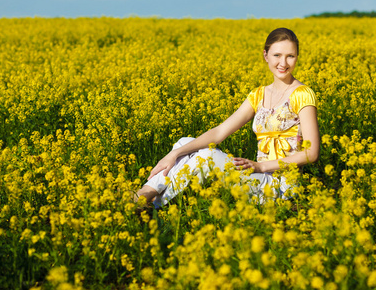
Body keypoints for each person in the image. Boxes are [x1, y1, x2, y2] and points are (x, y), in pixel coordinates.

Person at [135, 28, 320, 208]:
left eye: (290, 56)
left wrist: (262, 167)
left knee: (208, 155)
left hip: (281, 187)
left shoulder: (302, 94)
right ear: (266, 56)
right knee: (186, 143)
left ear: (297, 57)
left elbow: (311, 154)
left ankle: (149, 204)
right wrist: (173, 154)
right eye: (277, 55)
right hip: (257, 176)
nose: (284, 62)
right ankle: (147, 194)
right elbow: (219, 132)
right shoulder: (258, 95)